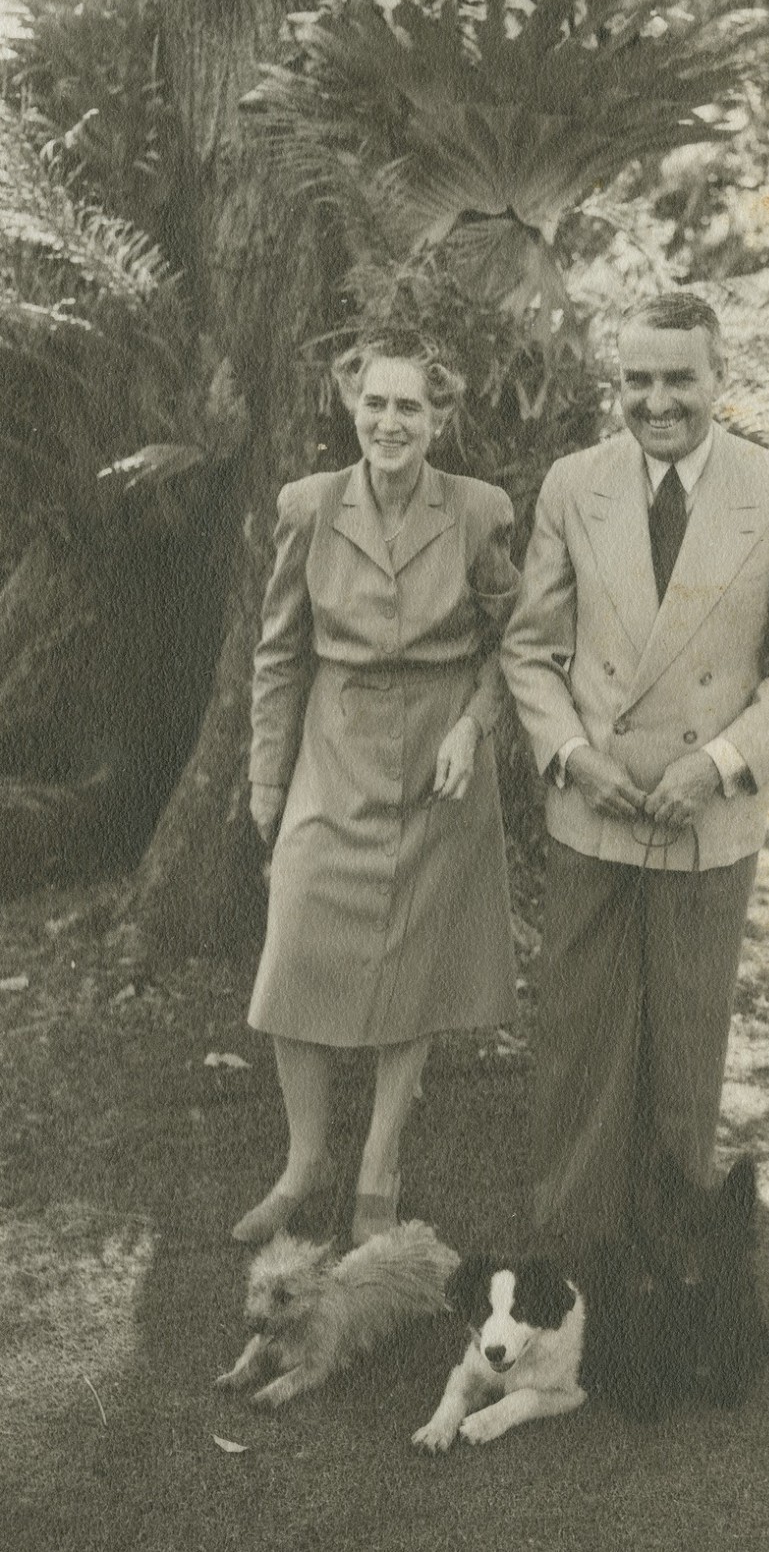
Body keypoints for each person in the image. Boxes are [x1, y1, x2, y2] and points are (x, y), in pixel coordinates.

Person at [501, 292, 769, 1251]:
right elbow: (530, 650)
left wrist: (719, 766)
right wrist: (573, 755)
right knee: (576, 1052)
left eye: (679, 378)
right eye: (637, 380)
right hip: (594, 811)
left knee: (686, 1060)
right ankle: (569, 1266)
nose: (657, 402)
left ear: (719, 379)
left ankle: (669, 1283)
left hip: (707, 822)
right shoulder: (574, 485)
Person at [235, 334, 520, 1248]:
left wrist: (475, 728)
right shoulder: (311, 507)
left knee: (419, 968)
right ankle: (302, 1162)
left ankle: (379, 1165)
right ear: (351, 410)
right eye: (376, 405)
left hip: (443, 758)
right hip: (337, 745)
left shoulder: (479, 512)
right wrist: (268, 779)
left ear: (439, 420)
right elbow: (279, 650)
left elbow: (516, 645)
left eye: (411, 408)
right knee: (296, 948)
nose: (391, 422)